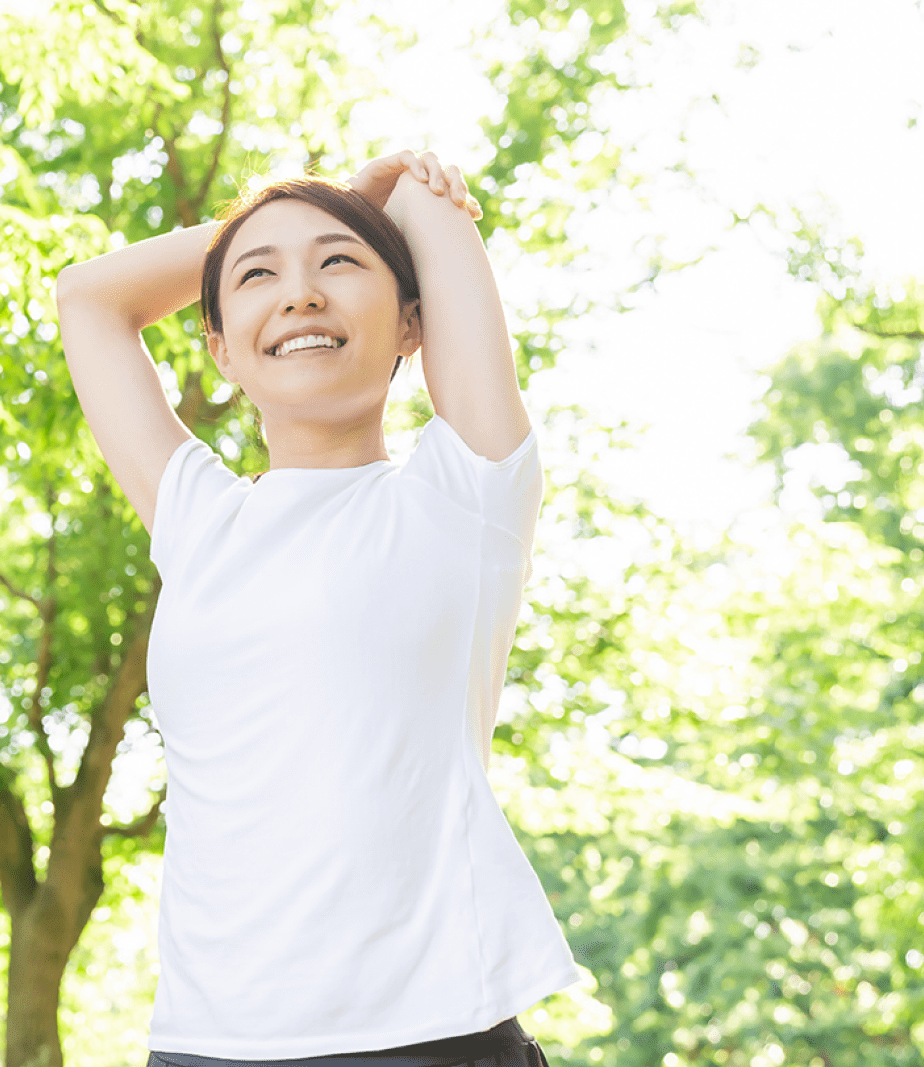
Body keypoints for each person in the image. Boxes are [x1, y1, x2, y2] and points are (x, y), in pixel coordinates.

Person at [54, 150, 580, 1067]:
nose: (298, 295)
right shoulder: (198, 517)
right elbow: (89, 298)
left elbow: (427, 199)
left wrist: (368, 201)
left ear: (413, 322)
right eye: (258, 278)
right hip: (204, 1044)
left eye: (339, 263)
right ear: (218, 346)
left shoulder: (467, 493)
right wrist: (312, 205)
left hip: (424, 1037)